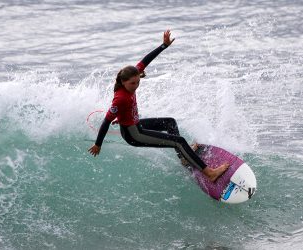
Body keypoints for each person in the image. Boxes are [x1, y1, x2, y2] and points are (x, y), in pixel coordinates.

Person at [88, 30, 229, 182]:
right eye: (132, 84)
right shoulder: (121, 98)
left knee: (170, 122)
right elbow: (106, 121)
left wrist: (164, 45)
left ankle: (184, 157)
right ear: (123, 82)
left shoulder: (130, 76)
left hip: (135, 125)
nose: (136, 86)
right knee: (178, 141)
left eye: (138, 82)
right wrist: (98, 144)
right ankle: (210, 173)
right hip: (134, 135)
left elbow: (146, 60)